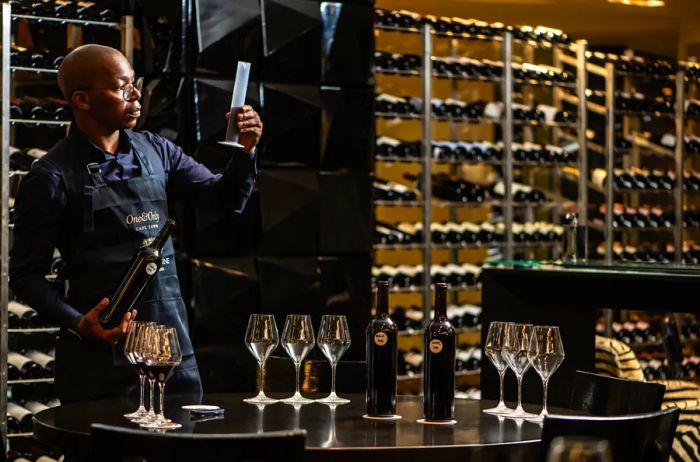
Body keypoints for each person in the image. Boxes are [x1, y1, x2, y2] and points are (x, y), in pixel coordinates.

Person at [9, 44, 261, 404]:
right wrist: (81, 323)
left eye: (135, 83)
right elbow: (25, 277)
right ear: (82, 100)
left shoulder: (157, 150)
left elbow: (225, 199)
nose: (137, 95)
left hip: (170, 349)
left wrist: (245, 151)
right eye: (122, 87)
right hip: (100, 362)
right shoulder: (50, 176)